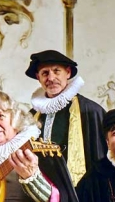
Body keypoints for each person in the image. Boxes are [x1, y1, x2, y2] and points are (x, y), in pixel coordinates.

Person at [26, 49, 106, 184]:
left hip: (80, 188)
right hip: (42, 186)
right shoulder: (32, 116)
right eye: (45, 73)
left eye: (56, 71)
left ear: (68, 73)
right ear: (38, 77)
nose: (51, 78)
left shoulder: (90, 111)